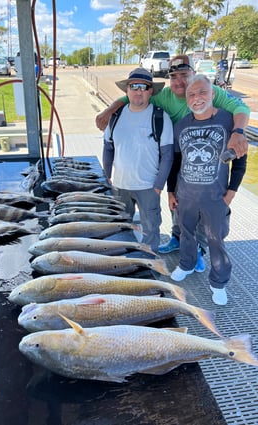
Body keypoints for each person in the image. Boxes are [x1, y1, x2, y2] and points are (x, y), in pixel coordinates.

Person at [96, 54, 249, 270]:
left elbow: (241, 108)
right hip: (179, 159)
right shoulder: (163, 96)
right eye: (174, 76)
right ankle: (179, 240)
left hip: (209, 166)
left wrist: (239, 132)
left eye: (184, 75)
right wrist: (108, 111)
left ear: (194, 74)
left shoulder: (210, 92)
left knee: (206, 218)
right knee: (178, 206)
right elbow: (133, 97)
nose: (180, 82)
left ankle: (200, 251)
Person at [168, 74, 247, 305]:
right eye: (192, 94)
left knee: (216, 240)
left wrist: (230, 194)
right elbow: (175, 162)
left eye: (202, 92)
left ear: (213, 94)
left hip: (216, 197)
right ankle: (187, 264)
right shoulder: (181, 126)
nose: (197, 98)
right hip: (186, 195)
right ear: (187, 100)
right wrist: (172, 191)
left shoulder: (229, 122)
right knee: (186, 233)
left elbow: (240, 162)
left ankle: (219, 282)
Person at [102, 68, 173, 252]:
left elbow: (167, 155)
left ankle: (150, 266)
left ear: (150, 91)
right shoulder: (115, 117)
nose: (138, 91)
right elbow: (108, 147)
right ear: (127, 89)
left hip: (148, 187)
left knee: (150, 231)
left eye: (144, 86)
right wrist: (107, 175)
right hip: (120, 186)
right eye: (134, 86)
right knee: (121, 227)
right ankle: (126, 262)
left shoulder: (160, 117)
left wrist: (158, 186)